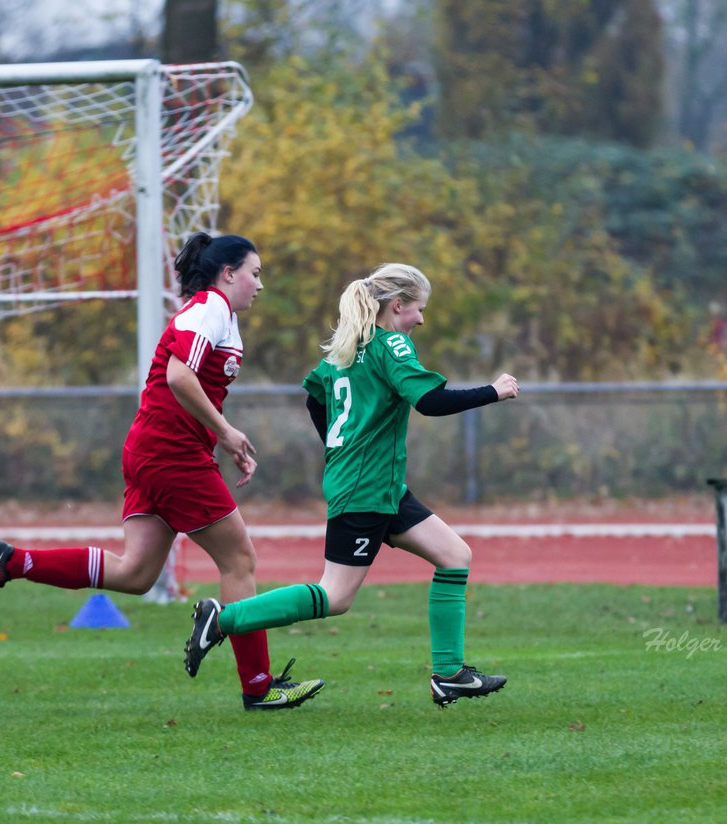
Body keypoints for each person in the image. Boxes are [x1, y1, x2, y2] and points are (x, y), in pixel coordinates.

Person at [0, 232, 324, 712]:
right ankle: (258, 686)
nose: (259, 284)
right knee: (239, 561)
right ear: (228, 274)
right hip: (170, 455)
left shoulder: (217, 313)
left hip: (151, 450)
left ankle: (13, 561)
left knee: (135, 573)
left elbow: (189, 383)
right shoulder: (211, 307)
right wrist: (225, 432)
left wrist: (219, 436)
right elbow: (180, 375)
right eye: (255, 273)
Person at [183, 263, 520, 707]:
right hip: (365, 487)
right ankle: (222, 620)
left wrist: (340, 448)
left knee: (454, 555)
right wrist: (493, 391)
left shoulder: (344, 350)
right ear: (397, 305)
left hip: (381, 486)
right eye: (418, 309)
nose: (421, 319)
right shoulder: (390, 344)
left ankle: (450, 674)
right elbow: (430, 401)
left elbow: (314, 398)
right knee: (335, 595)